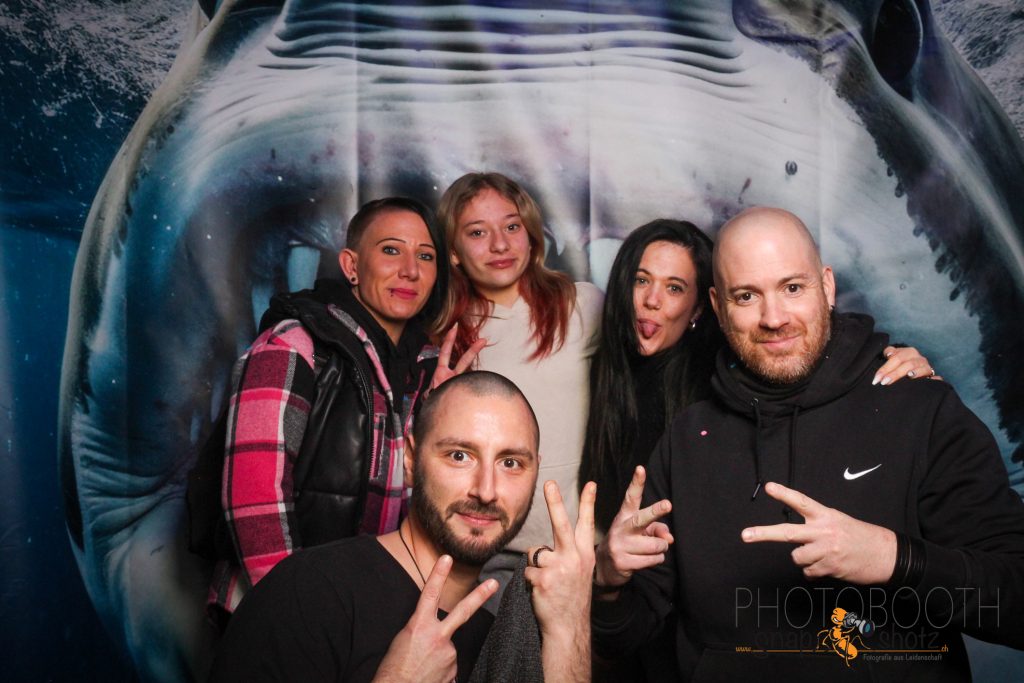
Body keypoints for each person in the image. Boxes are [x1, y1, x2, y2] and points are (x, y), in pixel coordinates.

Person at [591, 207, 1024, 680]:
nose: (774, 318)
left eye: (792, 288)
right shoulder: (687, 440)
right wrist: (609, 584)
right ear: (717, 306)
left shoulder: (920, 409)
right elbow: (626, 636)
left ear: (827, 286)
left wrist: (893, 557)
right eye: (746, 296)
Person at [209, 371, 595, 682]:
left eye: (510, 463)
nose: (486, 490)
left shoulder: (500, 639)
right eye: (459, 456)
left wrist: (569, 628)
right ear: (410, 460)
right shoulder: (310, 591)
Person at [208, 197, 476, 618]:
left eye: (425, 256)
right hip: (280, 613)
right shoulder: (294, 345)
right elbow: (253, 500)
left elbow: (422, 504)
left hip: (367, 609)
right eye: (391, 250)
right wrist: (295, 616)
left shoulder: (425, 368)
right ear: (351, 266)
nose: (410, 270)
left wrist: (440, 417)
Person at [581, 218, 938, 535]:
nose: (652, 300)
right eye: (641, 280)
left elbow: (811, 355)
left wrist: (890, 360)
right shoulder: (603, 371)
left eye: (675, 287)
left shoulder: (724, 382)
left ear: (702, 308)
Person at [436, 172, 603, 587]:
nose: (500, 244)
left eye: (512, 226)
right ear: (453, 251)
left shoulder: (582, 305)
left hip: (588, 552)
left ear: (530, 234)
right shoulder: (445, 334)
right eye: (477, 232)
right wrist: (433, 406)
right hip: (489, 558)